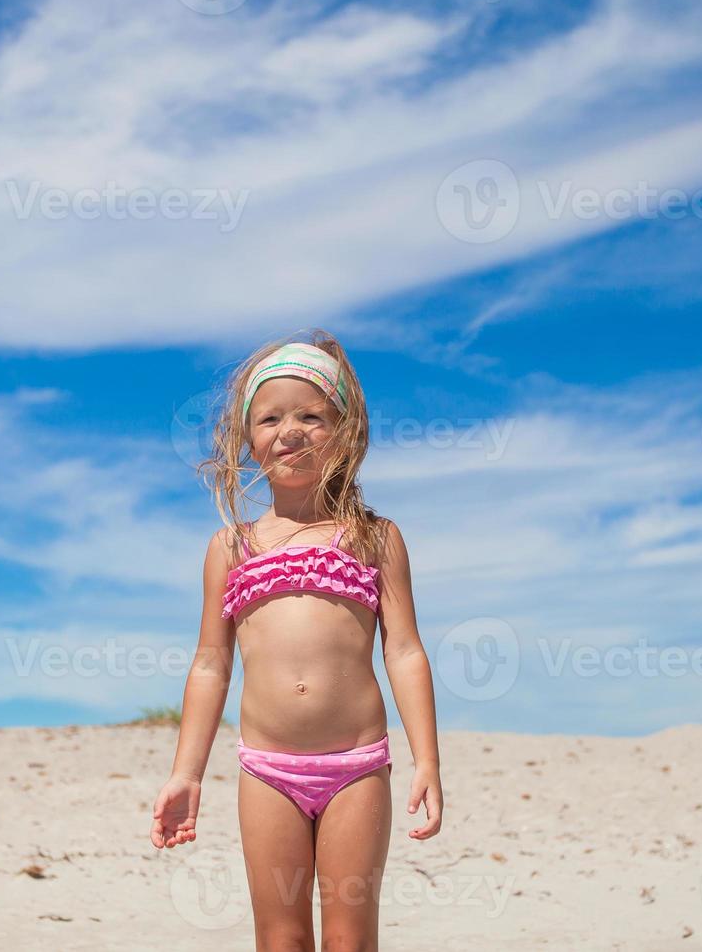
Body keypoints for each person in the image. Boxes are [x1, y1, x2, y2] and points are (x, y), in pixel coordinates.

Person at [150, 329, 443, 951]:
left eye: (312, 415)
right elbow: (210, 665)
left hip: (356, 767)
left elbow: (405, 651)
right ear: (248, 440)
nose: (290, 430)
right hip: (267, 770)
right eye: (271, 417)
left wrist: (428, 761)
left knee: (349, 939)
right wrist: (187, 774)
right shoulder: (230, 548)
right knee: (280, 938)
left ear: (346, 431)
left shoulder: (373, 537)